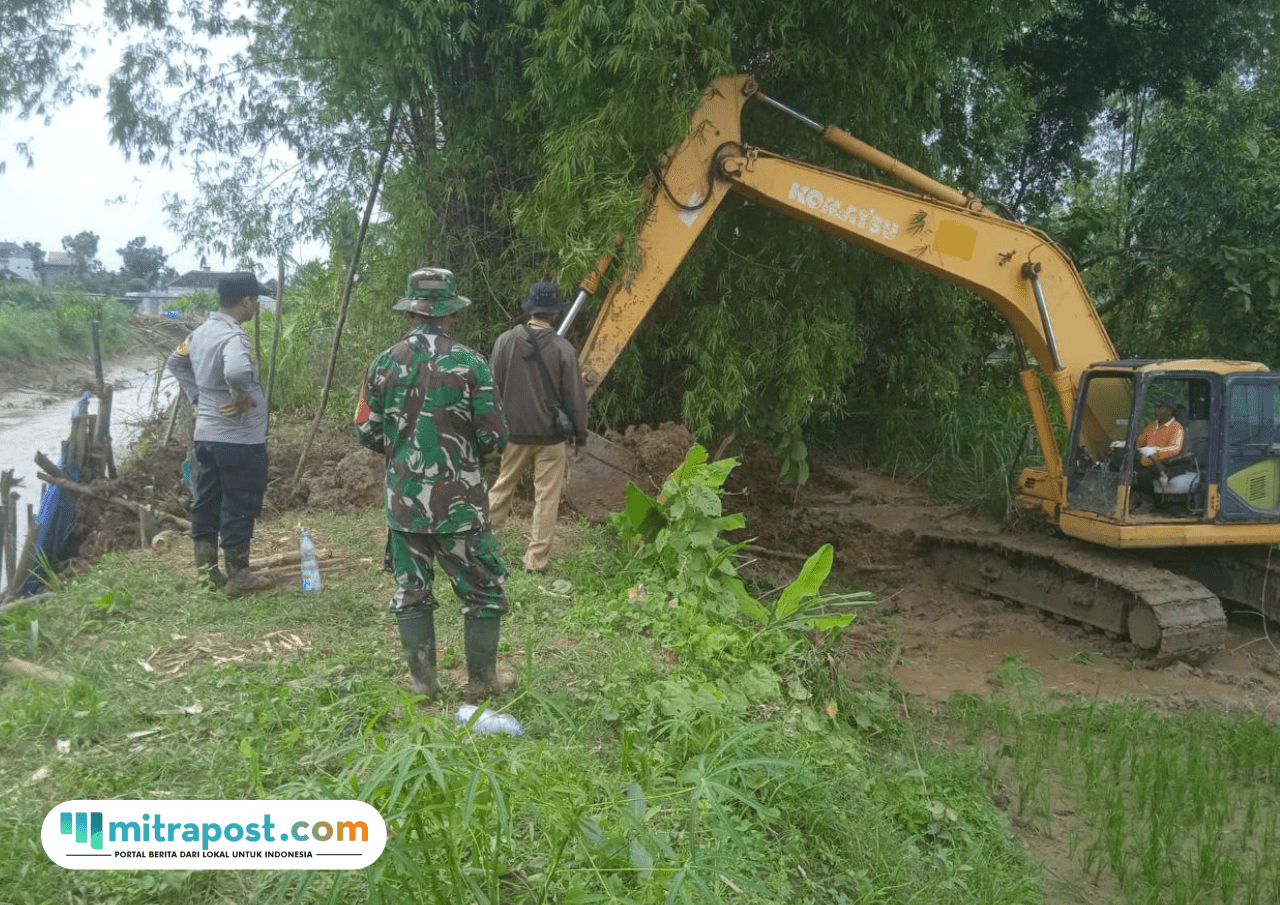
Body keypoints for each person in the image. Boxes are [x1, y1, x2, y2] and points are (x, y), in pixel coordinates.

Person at [354, 267, 511, 703]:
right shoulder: (470, 363)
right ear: (451, 313)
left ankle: (423, 684)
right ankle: (482, 683)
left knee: (412, 592)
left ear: (412, 310)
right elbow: (495, 435)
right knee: (482, 591)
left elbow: (366, 431)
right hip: (460, 505)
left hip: (404, 504)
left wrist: (403, 451)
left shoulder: (384, 363)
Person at [167, 271, 275, 596]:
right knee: (239, 503)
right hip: (239, 439)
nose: (256, 307)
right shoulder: (234, 337)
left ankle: (206, 572)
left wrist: (199, 397)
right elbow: (237, 370)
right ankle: (239, 576)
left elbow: (175, 362)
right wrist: (240, 395)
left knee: (207, 501)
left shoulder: (199, 333)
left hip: (207, 436)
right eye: (256, 301)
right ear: (246, 301)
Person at [486, 280, 588, 573]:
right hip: (551, 437)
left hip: (514, 433)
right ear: (555, 313)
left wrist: (496, 426)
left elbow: (492, 388)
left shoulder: (505, 342)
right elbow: (575, 397)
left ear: (530, 309)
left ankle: (484, 550)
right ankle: (535, 562)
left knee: (503, 487)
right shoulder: (563, 348)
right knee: (546, 497)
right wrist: (580, 437)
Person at [1133, 394, 1185, 504]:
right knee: (1122, 466)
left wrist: (1154, 450)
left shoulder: (1177, 428)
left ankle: (1148, 502)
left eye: (1160, 408)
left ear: (1169, 411)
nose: (1156, 411)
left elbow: (1175, 449)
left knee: (1144, 476)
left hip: (1165, 463)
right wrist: (1132, 444)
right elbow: (1140, 443)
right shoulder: (1151, 425)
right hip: (1146, 460)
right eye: (1156, 408)